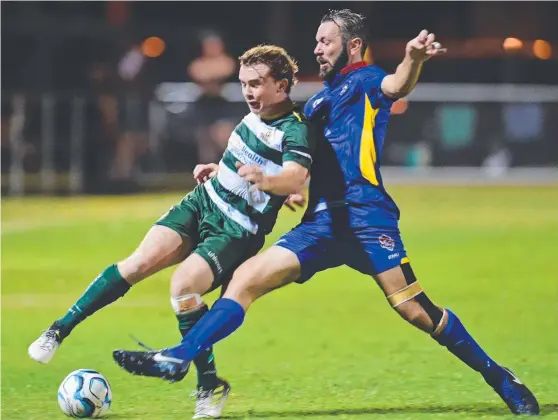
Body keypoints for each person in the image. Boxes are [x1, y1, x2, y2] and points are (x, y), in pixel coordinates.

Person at [113, 9, 539, 416]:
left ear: (352, 45)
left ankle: (499, 377)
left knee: (414, 309)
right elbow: (296, 160)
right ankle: (178, 358)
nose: (317, 48)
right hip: (320, 224)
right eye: (316, 40)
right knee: (244, 280)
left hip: (367, 219)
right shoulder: (316, 104)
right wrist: (232, 172)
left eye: (325, 41)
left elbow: (398, 85)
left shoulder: (368, 80)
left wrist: (412, 58)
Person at [28, 44, 314, 419]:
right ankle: (59, 329)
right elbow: (245, 160)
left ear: (282, 85)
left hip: (235, 231)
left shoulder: (293, 128)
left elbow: (296, 175)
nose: (248, 92)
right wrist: (218, 169)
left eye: (257, 84)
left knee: (183, 287)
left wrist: (271, 180)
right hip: (202, 203)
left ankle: (209, 384)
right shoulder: (251, 116)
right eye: (244, 83)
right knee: (137, 263)